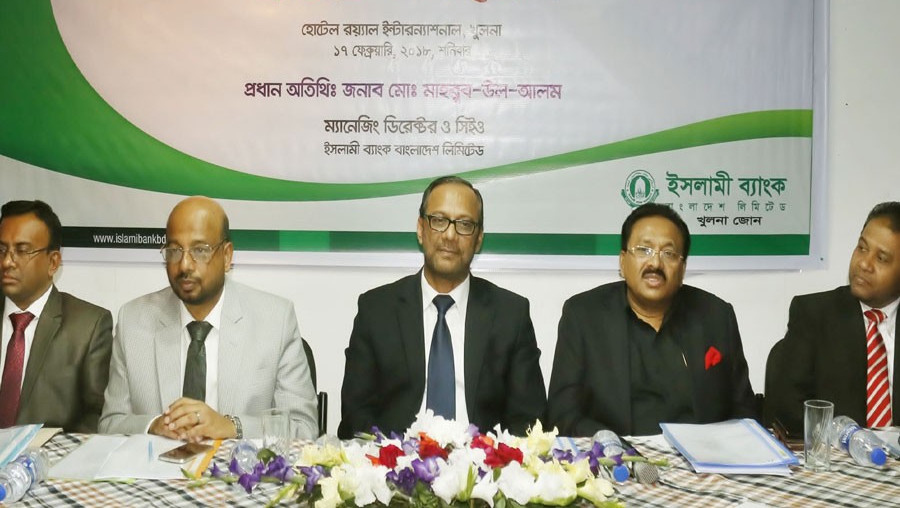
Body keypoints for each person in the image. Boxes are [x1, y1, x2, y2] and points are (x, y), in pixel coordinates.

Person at [338, 176, 546, 438]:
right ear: (420, 229)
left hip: (483, 460)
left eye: (464, 224)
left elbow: (528, 421)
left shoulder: (510, 315)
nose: (449, 235)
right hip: (396, 458)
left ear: (478, 239)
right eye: (439, 220)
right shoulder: (377, 310)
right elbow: (356, 416)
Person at [99, 196, 318, 441]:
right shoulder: (133, 321)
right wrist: (153, 425)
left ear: (226, 256)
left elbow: (304, 428)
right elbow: (110, 424)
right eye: (174, 251)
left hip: (239, 465)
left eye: (200, 250)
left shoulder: (276, 320)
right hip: (159, 465)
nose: (184, 265)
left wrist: (232, 426)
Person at [547, 203, 757, 437]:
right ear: (622, 261)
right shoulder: (584, 316)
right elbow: (562, 414)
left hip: (701, 457)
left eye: (669, 253)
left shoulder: (716, 315)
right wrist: (612, 445)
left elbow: (744, 410)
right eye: (644, 250)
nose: (655, 264)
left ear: (682, 268)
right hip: (617, 455)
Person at [767, 202, 900, 433]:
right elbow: (787, 409)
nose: (864, 264)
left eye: (881, 258)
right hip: (836, 450)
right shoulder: (813, 315)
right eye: (862, 248)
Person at [0, 200, 112, 432]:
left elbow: (98, 417)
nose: (7, 262)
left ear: (53, 262)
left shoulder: (88, 327)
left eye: (22, 251)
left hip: (51, 454)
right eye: (2, 250)